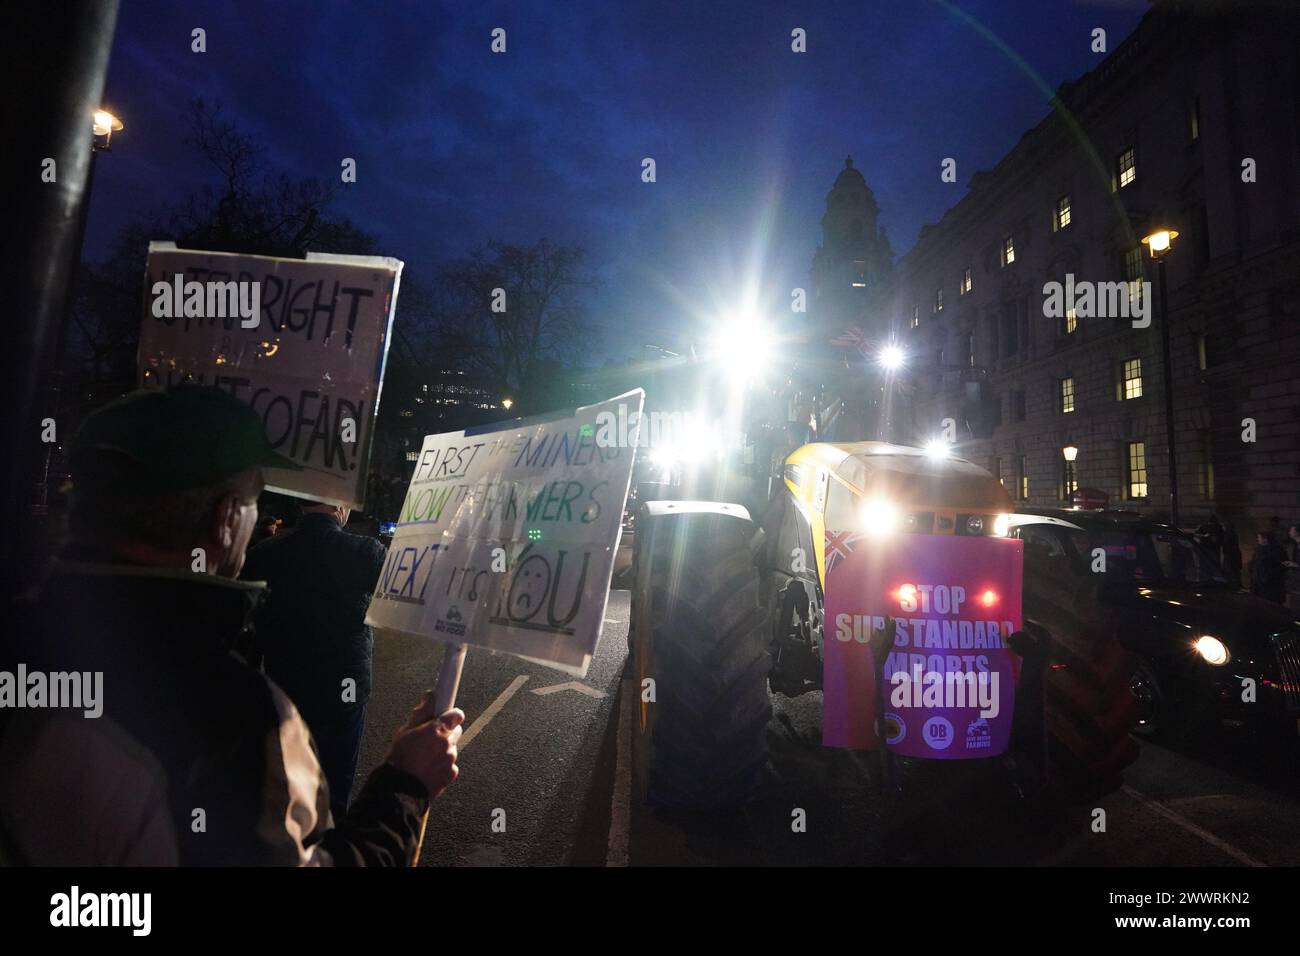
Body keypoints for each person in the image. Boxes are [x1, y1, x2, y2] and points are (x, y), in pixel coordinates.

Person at [0, 386, 462, 865]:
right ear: (226, 518)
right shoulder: (239, 723)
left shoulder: (24, 631)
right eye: (256, 498)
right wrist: (405, 786)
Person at [241, 500, 386, 821]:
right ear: (340, 505)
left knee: (288, 781)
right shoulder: (365, 552)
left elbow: (246, 623)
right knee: (335, 784)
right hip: (344, 691)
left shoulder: (265, 553)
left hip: (285, 686)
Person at [1249, 529, 1287, 604]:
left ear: (1265, 539)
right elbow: (1255, 564)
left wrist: (1267, 576)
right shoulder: (1259, 549)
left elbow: (1281, 566)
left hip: (1270, 585)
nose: (1258, 539)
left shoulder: (1277, 550)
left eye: (1259, 538)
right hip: (1259, 584)